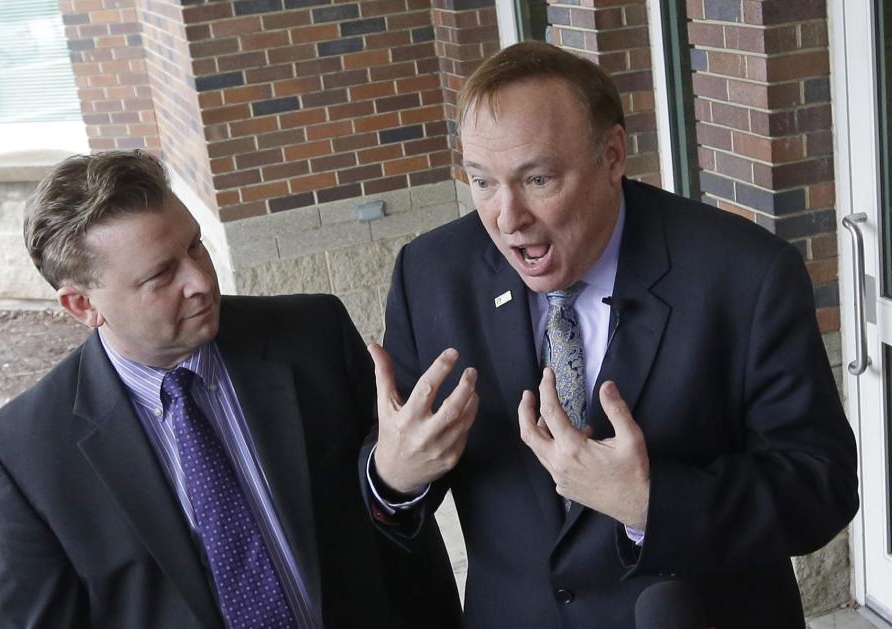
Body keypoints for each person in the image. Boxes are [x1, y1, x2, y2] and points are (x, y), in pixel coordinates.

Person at [360, 41, 859, 628]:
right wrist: (393, 475)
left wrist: (651, 503)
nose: (505, 217)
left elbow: (818, 487)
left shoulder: (746, 274)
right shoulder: (430, 274)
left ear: (613, 155)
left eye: (538, 179)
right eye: (482, 181)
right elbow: (390, 489)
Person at [0, 150, 460, 629]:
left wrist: (396, 481)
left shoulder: (313, 334)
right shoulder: (24, 455)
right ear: (82, 304)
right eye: (161, 274)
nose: (201, 281)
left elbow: (394, 519)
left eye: (195, 246)